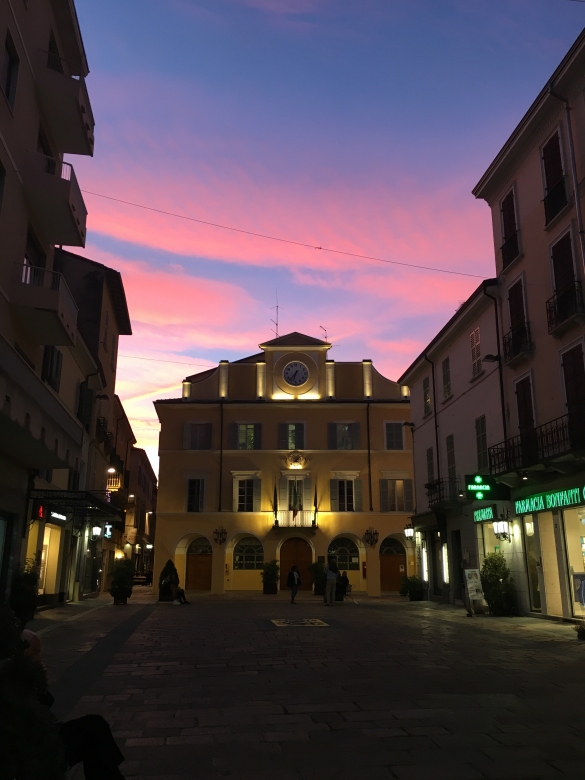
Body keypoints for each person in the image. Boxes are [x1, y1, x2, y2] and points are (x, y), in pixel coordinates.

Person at [18, 627, 126, 779]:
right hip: (37, 745)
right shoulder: (13, 679)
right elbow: (32, 716)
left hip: (45, 736)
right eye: (35, 652)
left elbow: (45, 705)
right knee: (93, 731)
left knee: (95, 726)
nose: (39, 659)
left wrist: (40, 684)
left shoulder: (26, 674)